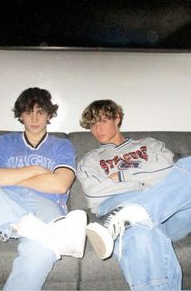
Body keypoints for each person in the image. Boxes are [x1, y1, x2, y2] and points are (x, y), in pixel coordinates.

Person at [0, 87, 87, 290]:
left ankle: (32, 229)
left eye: (40, 112)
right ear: (21, 116)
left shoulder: (60, 145)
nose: (34, 118)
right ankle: (30, 226)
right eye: (28, 112)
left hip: (45, 206)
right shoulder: (5, 142)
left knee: (40, 251)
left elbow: (60, 184)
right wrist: (35, 170)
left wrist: (9, 178)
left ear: (49, 115)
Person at [77, 99, 191, 290]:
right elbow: (94, 193)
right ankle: (132, 216)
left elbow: (169, 172)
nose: (97, 129)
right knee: (142, 233)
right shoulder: (90, 160)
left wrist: (121, 175)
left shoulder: (150, 145)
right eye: (92, 125)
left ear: (117, 118)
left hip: (169, 210)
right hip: (118, 203)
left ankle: (131, 215)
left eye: (102, 121)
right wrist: (145, 181)